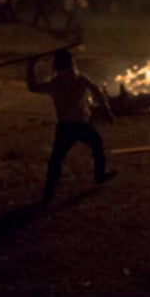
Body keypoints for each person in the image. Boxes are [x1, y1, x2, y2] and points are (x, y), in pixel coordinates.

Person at [27, 49, 116, 203]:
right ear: (72, 63)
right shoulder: (80, 79)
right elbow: (97, 92)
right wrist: (106, 111)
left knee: (56, 158)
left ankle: (51, 187)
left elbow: (33, 87)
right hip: (80, 125)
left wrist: (31, 65)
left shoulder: (55, 83)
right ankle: (99, 174)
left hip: (64, 126)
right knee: (96, 144)